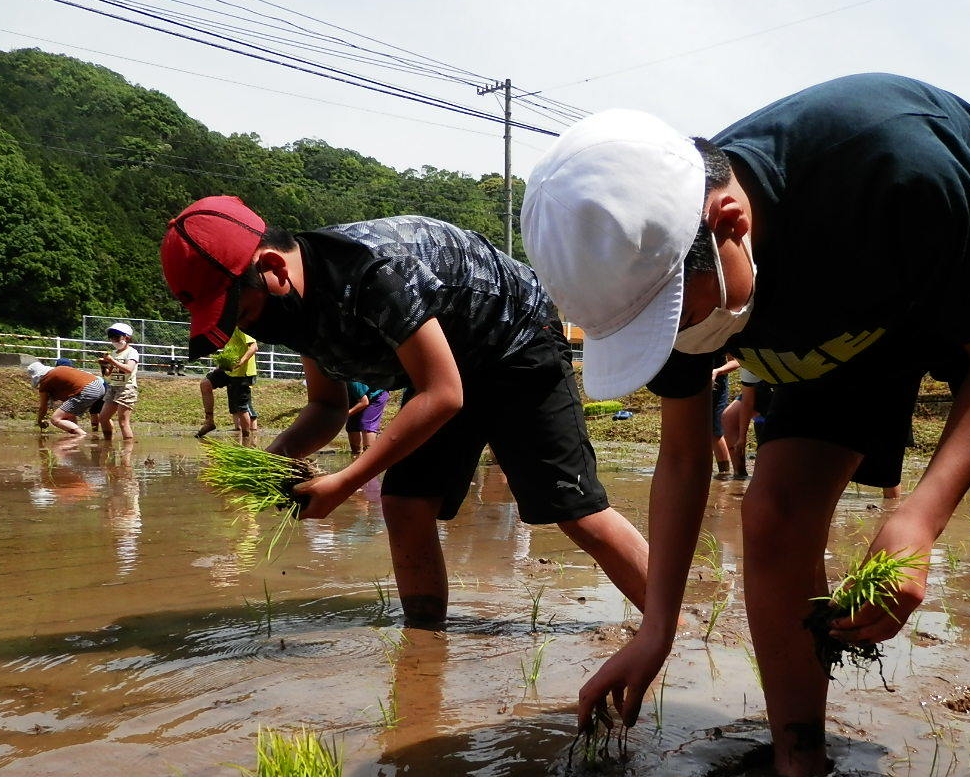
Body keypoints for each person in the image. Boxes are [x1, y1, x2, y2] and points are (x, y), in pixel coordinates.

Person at [520, 74, 970, 777]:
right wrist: (656, 624)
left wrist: (918, 520)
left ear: (730, 222)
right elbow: (684, 460)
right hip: (835, 317)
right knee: (775, 517)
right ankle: (797, 770)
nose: (678, 338)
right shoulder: (668, 282)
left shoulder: (889, 167)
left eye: (679, 314)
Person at [161, 196, 652, 626]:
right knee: (405, 504)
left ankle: (667, 621)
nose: (254, 325)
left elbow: (443, 395)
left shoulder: (372, 271)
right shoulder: (295, 308)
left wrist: (344, 482)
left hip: (516, 343)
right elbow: (327, 405)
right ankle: (423, 642)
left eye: (242, 313)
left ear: (272, 267)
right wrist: (270, 463)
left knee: (574, 510)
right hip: (444, 366)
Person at [196, 326, 259, 438]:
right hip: (228, 369)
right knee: (205, 384)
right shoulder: (226, 326)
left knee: (241, 408)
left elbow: (254, 347)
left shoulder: (241, 326)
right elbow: (229, 348)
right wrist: (220, 365)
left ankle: (246, 438)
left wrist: (240, 363)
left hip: (242, 373)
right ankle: (209, 422)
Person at [29, 360, 106, 437]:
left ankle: (82, 436)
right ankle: (76, 439)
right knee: (69, 413)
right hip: (99, 385)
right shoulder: (59, 371)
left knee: (55, 419)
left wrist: (39, 421)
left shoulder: (45, 381)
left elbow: (43, 407)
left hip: (88, 390)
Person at [98, 322, 139, 440]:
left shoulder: (132, 352)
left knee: (123, 422)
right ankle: (107, 443)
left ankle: (127, 452)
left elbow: (128, 369)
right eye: (111, 337)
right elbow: (108, 374)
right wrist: (104, 365)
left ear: (127, 338)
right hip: (113, 387)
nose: (113, 340)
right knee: (103, 418)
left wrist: (111, 361)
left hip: (127, 387)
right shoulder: (114, 353)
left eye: (116, 337)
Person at [710, 353, 739, 479]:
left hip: (717, 384)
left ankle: (724, 473)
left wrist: (717, 371)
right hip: (694, 385)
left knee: (715, 431)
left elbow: (736, 362)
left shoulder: (722, 334)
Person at [345, 381, 390, 455]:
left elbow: (364, 402)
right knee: (351, 426)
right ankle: (356, 455)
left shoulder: (352, 381)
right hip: (357, 398)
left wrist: (346, 414)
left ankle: (369, 455)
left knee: (366, 424)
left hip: (376, 396)